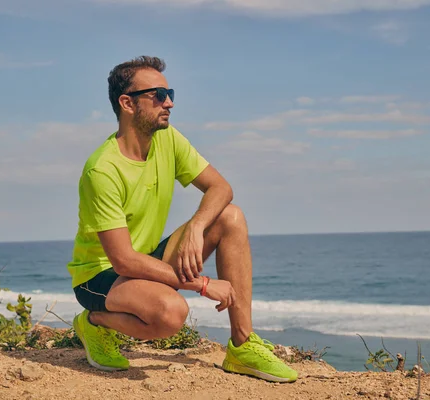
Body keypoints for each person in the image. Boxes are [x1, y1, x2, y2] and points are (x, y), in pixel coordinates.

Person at [67, 56, 298, 383]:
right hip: (101, 275)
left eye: (170, 92)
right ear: (127, 103)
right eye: (158, 95)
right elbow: (123, 261)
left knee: (230, 217)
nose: (170, 102)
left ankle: (242, 346)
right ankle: (94, 322)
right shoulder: (102, 170)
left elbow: (221, 188)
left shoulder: (167, 139)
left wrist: (197, 227)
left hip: (145, 259)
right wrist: (203, 284)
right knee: (171, 314)